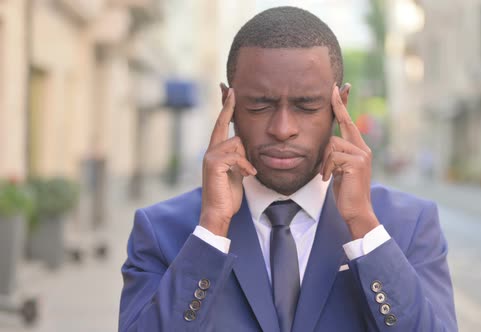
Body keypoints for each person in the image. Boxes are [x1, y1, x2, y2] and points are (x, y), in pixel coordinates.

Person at [118, 6, 456, 332]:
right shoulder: (162, 230)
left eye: (306, 106)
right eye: (260, 104)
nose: (282, 129)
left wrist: (364, 228)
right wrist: (211, 230)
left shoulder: (409, 226)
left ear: (341, 105)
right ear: (228, 104)